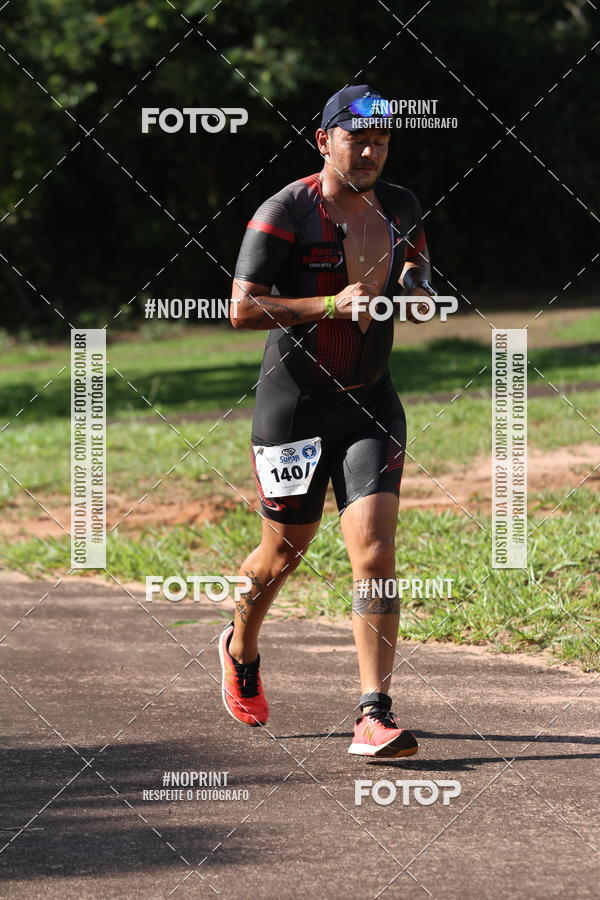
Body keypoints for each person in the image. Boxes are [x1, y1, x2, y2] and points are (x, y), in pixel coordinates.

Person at [219, 85, 435, 758]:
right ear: (324, 141)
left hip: (372, 401)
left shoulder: (400, 205)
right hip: (296, 409)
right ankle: (240, 646)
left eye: (380, 141)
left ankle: (374, 712)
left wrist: (418, 288)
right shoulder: (286, 211)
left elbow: (417, 262)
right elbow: (242, 308)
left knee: (375, 551)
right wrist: (329, 306)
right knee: (283, 553)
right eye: (356, 140)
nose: (369, 153)